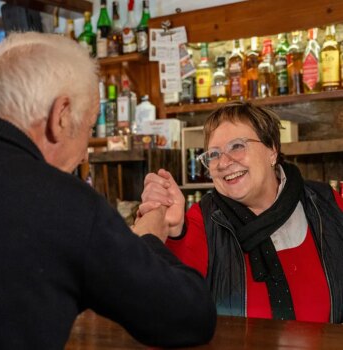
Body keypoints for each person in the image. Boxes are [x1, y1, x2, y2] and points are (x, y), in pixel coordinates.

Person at [0, 32, 216, 349]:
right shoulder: (64, 204)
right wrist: (149, 238)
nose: (85, 154)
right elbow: (191, 317)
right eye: (87, 127)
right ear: (61, 116)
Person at [139, 101, 343, 323]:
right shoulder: (204, 219)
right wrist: (174, 232)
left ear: (272, 149)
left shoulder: (326, 203)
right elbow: (168, 301)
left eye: (237, 146)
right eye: (213, 154)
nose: (224, 162)